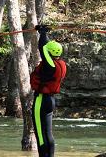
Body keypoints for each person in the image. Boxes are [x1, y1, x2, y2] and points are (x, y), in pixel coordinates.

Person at [30, 25, 67, 157]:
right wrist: (44, 32)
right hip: (50, 101)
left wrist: (42, 32)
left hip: (41, 100)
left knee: (40, 134)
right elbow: (46, 48)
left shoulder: (49, 64)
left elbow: (42, 48)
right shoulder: (61, 64)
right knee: (48, 133)